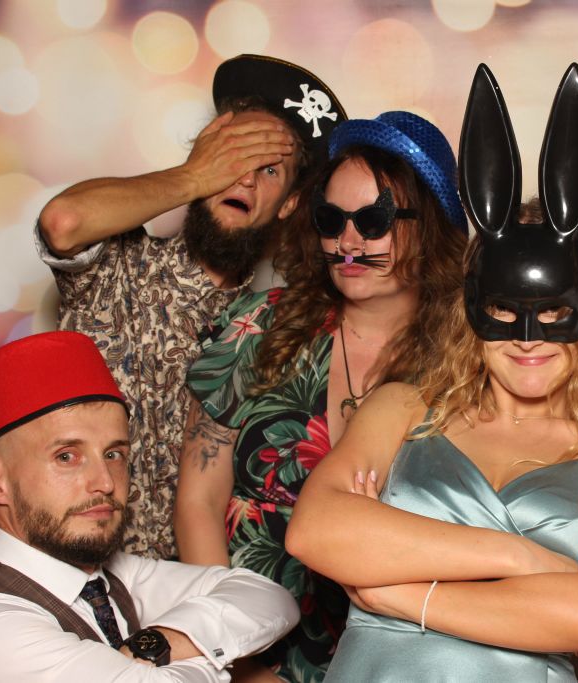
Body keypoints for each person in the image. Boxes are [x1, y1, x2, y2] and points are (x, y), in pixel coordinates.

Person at [285, 63, 578, 682]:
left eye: (553, 314)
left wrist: (400, 592)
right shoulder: (402, 409)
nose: (527, 339)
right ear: (472, 311)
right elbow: (315, 531)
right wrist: (522, 559)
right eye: (503, 313)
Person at [174, 110, 470, 681]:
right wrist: (233, 661)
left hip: (401, 656)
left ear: (430, 225)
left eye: (375, 220)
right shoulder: (260, 327)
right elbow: (198, 503)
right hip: (240, 645)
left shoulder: (468, 361)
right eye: (331, 219)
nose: (348, 242)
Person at [35, 54, 346, 560]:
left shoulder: (276, 326)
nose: (245, 180)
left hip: (195, 581)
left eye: (268, 170)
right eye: (233, 158)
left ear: (288, 204)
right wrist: (195, 176)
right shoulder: (119, 263)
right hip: (76, 571)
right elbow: (63, 223)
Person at [0, 331, 299, 682]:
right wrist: (210, 651)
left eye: (114, 454)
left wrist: (161, 643)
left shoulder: (111, 576)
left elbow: (270, 598)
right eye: (66, 457)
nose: (105, 482)